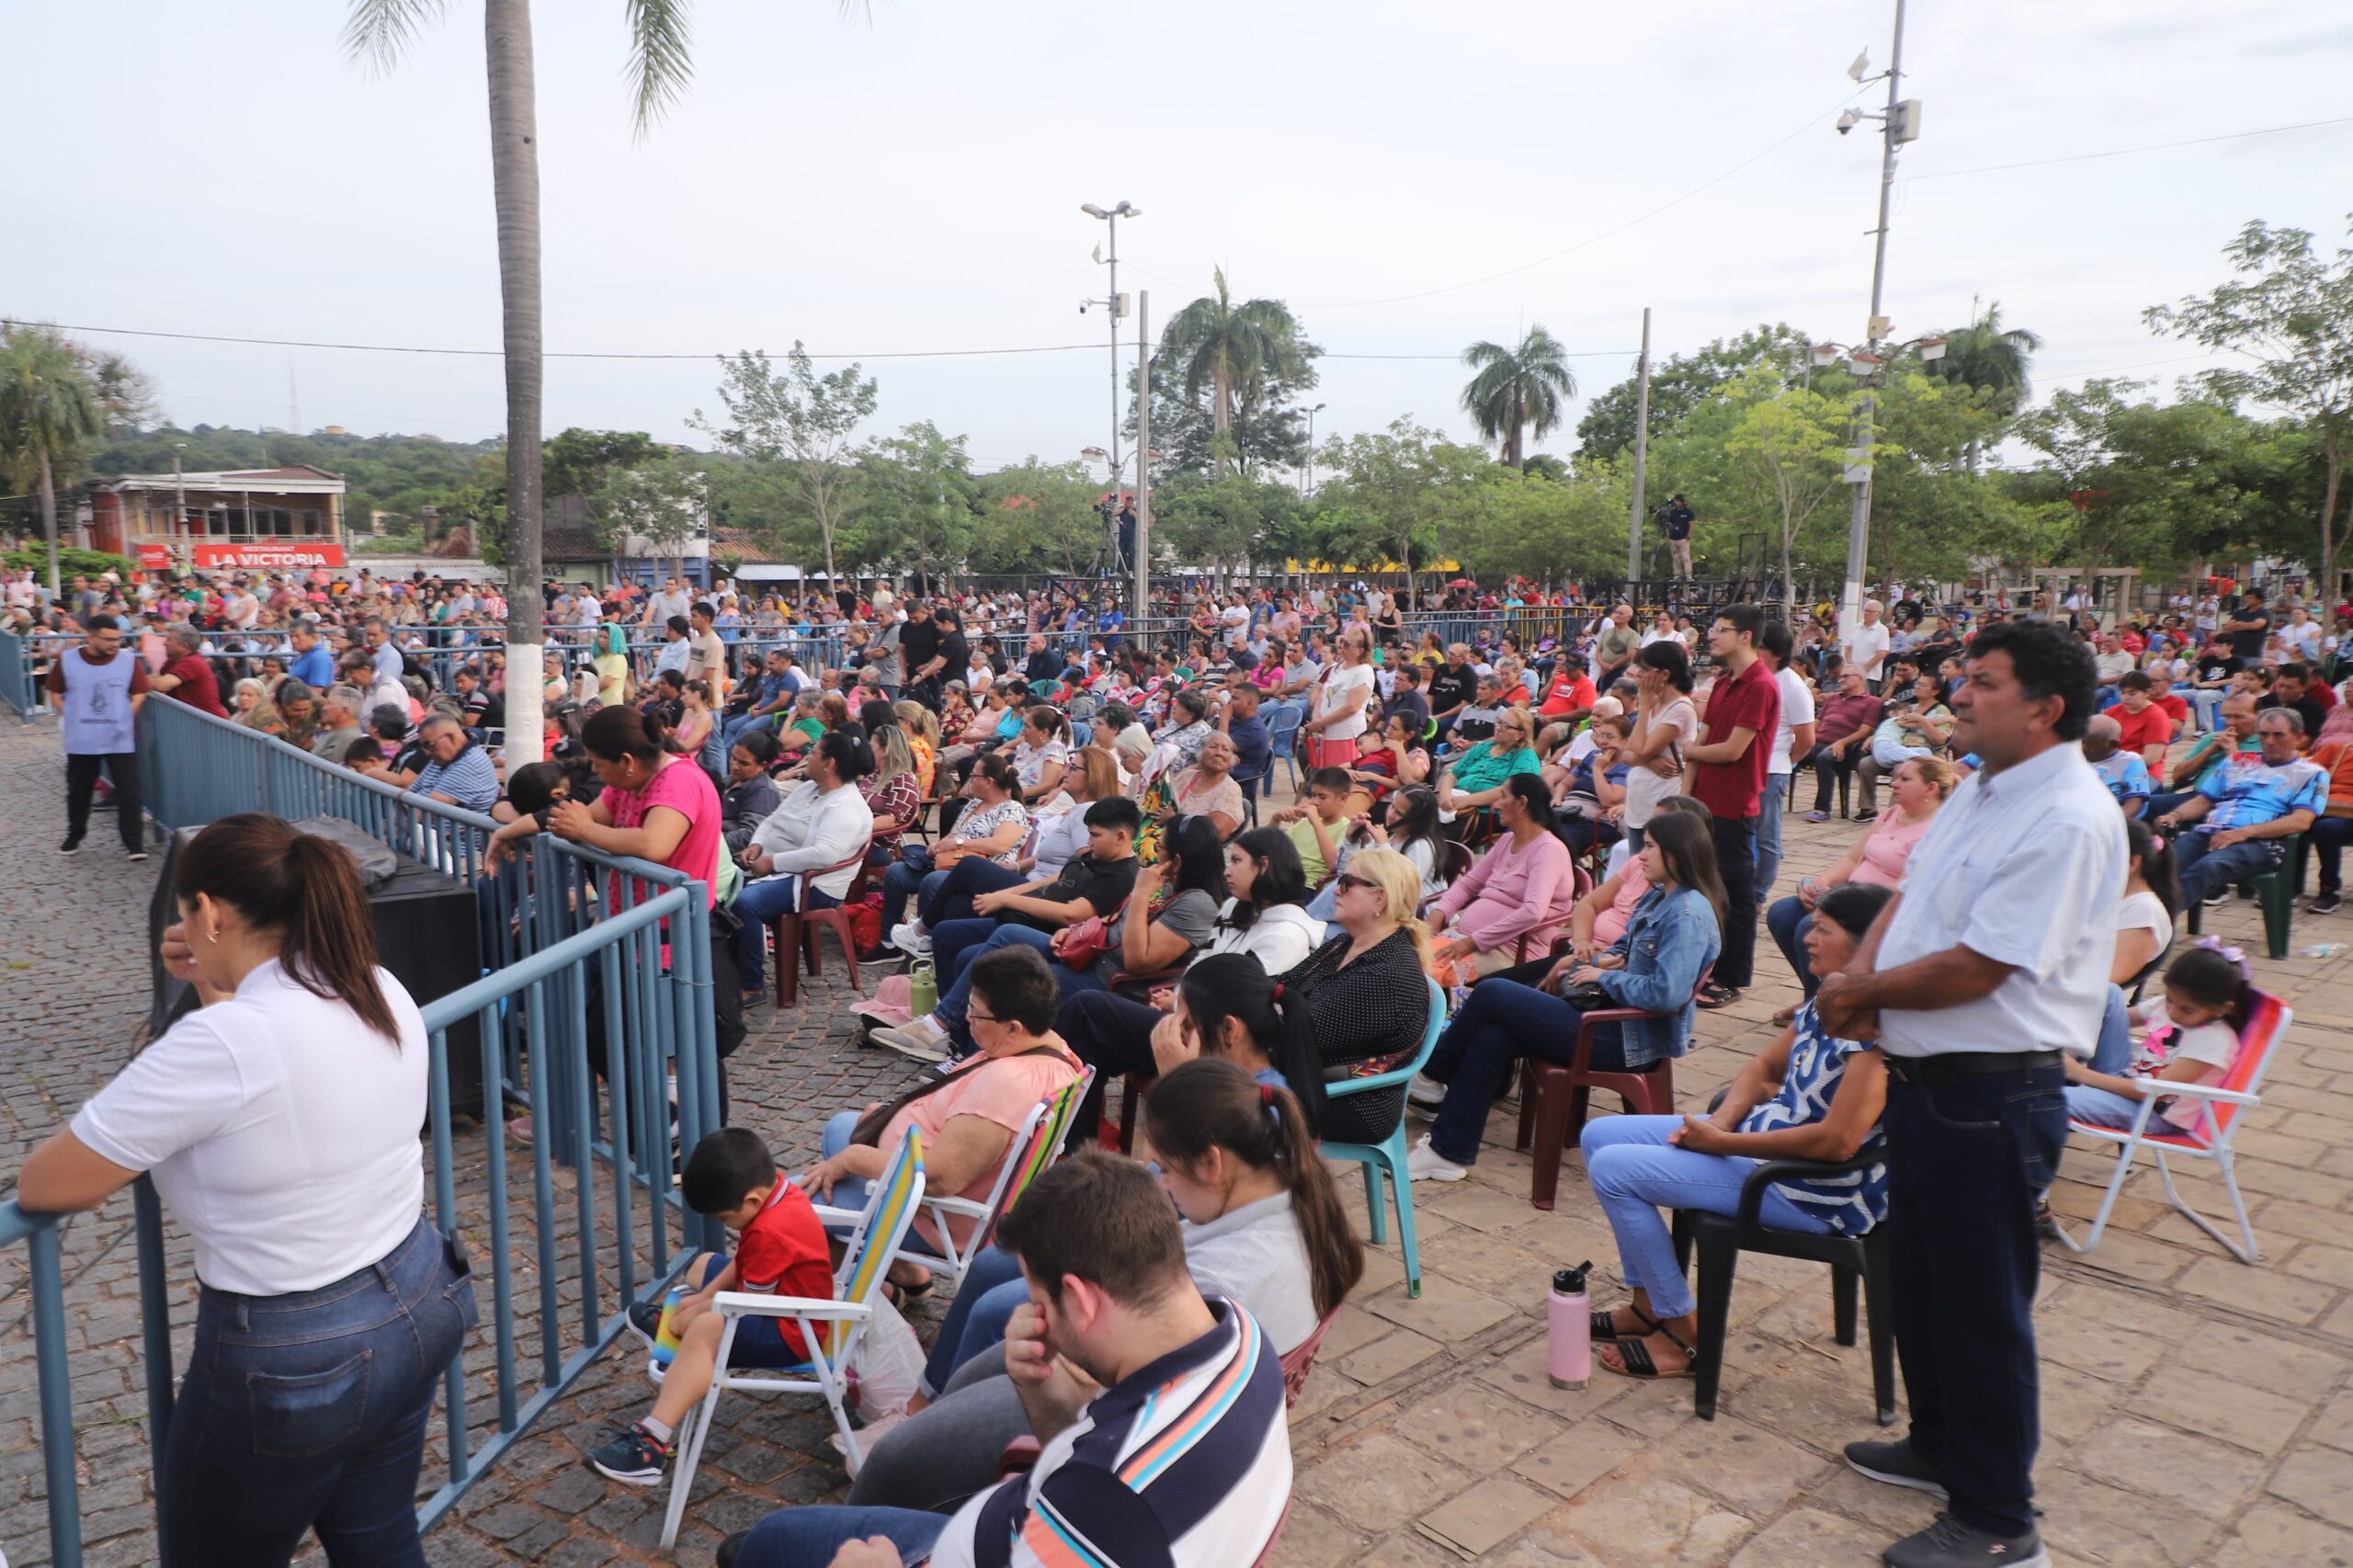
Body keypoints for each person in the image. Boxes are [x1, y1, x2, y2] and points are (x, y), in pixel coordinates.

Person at [17, 813, 479, 1564]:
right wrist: (212, 979)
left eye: (185, 914)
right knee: (379, 1536)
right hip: (420, 1290)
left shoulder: (228, 1044)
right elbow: (264, 1079)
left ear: (209, 913)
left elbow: (49, 1181)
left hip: (297, 1353)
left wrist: (209, 999)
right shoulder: (374, 985)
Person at [1816, 619, 2122, 1568]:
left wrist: (1856, 992)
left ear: (2045, 708)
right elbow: (1906, 900)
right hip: (1925, 1079)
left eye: (1982, 682)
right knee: (1923, 1283)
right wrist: (1858, 988)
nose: (1959, 694)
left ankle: (1997, 1517)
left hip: (1992, 1092)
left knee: (1983, 1306)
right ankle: (1937, 1444)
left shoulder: (2067, 814)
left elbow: (1982, 965)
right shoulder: (1983, 790)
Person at [718, 1149, 1293, 1568]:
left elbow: (1098, 1510)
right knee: (766, 1543)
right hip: (1024, 1525)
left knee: (769, 1544)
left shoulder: (1111, 1504)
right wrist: (1055, 1408)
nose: (1035, 1316)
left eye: (1040, 1300)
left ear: (1084, 1300)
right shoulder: (1240, 1334)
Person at [1581, 881, 1895, 1379]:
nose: (1806, 939)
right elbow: (1763, 1068)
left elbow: (1837, 1143)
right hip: (1755, 1144)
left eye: (1822, 930)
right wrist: (1723, 1122)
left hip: (1806, 1188)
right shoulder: (1827, 1001)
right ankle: (1646, 1307)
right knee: (1598, 1136)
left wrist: (1725, 1142)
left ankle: (1683, 1327)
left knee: (1615, 1171)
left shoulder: (1876, 1036)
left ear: (1865, 946)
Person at [1406, 809, 1724, 1183]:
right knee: (1492, 1036)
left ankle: (1429, 1071)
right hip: (1608, 1017)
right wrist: (1584, 961)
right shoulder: (1660, 898)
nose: (1640, 856)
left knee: (1492, 992)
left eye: (1651, 847)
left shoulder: (1687, 914)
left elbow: (1666, 994)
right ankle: (1447, 1152)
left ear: (1678, 853)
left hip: (1624, 1037)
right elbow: (1624, 949)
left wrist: (1603, 979)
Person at [805, 945, 1082, 1272]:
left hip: (932, 1217)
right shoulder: (1051, 1049)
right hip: (923, 1177)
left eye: (976, 1013)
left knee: (791, 1206)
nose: (967, 1019)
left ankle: (851, 1298)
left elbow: (939, 1178)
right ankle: (908, 1276)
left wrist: (853, 1159)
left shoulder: (1005, 1084)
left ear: (1013, 1028)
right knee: (840, 1127)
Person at [585, 1127, 835, 1486]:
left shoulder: (770, 1232)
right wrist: (701, 1299)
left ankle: (651, 1443)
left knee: (705, 1329)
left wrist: (700, 1313)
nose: (725, 1226)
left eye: (723, 1219)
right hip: (781, 1299)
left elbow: (750, 1304)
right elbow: (743, 1263)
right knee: (703, 1265)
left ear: (750, 1201)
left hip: (793, 1329)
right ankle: (680, 1333)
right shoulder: (778, 1194)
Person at [872, 799, 1143, 1063]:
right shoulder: (1098, 856)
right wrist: (1003, 894)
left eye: (1095, 835)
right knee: (947, 932)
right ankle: (950, 1032)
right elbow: (1058, 881)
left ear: (1120, 837)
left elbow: (1071, 914)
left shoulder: (1120, 875)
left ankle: (943, 1027)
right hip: (1050, 923)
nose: (1089, 840)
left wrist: (1005, 900)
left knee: (999, 937)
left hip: (1062, 938)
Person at [1767, 757, 1955, 994]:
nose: (1894, 784)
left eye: (1905, 779)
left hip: (1883, 906)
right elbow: (1853, 858)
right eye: (1895, 778)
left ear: (1932, 788)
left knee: (1810, 927)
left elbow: (1903, 887)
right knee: (1782, 913)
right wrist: (1822, 882)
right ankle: (1817, 990)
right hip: (1851, 895)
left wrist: (1838, 898)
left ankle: (1822, 1001)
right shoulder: (1892, 814)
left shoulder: (1937, 829)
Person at [733, 728, 878, 999]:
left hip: (815, 884)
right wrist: (758, 844)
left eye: (814, 752)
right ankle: (731, 972)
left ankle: (753, 986)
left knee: (745, 903)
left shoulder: (846, 806)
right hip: (789, 871)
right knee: (721, 889)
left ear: (829, 763)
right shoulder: (811, 788)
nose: (808, 756)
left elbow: (823, 855)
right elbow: (774, 819)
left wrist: (772, 862)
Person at [1683, 604, 1778, 1008]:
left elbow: (1733, 750)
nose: (1712, 635)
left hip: (1735, 803)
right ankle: (1702, 966)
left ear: (1745, 636)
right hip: (1703, 801)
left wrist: (1691, 750)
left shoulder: (1761, 685)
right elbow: (1704, 740)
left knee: (1735, 896)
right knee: (1702, 890)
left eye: (1722, 629)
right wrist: (1687, 788)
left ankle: (1731, 976)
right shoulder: (1723, 681)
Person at [2063, 944, 2247, 1138]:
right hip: (2129, 1082)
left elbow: (2154, 1093)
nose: (2172, 1011)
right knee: (2111, 995)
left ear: (2222, 1009)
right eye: (2169, 999)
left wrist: (2080, 1074)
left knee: (2046, 1098)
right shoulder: (2172, 1005)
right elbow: (2113, 1017)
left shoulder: (2214, 1040)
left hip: (2152, 1112)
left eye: (2187, 1010)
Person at [2153, 708, 2323, 909]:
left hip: (2262, 844)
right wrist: (2175, 815)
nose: (2269, 741)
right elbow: (2203, 801)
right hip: (2211, 833)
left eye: (2278, 735)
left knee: (2208, 867)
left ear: (2299, 736)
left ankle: (2154, 926)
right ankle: (2145, 921)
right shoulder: (2237, 761)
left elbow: (2301, 821)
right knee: (2163, 865)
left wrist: (2244, 832)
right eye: (2264, 734)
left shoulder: (2311, 773)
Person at [1427, 774, 1581, 977]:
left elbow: (1533, 912)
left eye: (1503, 797)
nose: (1496, 805)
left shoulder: (1548, 849)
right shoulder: (1508, 840)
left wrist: (1473, 942)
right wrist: (1439, 914)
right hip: (1467, 940)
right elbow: (1468, 884)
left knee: (1425, 973)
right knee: (1407, 959)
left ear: (1522, 804)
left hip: (1509, 951)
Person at [882, 755, 1032, 952]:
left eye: (974, 777)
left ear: (989, 781)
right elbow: (953, 835)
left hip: (982, 873)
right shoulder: (973, 804)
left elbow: (1000, 845)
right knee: (897, 873)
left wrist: (958, 843)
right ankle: (888, 944)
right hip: (950, 862)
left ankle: (925, 943)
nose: (970, 781)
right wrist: (938, 846)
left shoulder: (1012, 809)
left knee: (933, 880)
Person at [49, 613, 150, 858]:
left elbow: (139, 692)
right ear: (90, 637)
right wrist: (70, 715)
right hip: (81, 738)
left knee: (129, 791)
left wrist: (128, 715)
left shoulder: (128, 660)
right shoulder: (68, 660)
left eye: (117, 639)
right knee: (79, 790)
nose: (114, 644)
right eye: (107, 639)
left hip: (119, 737)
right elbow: (54, 691)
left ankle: (134, 843)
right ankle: (74, 835)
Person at [1756, 619, 1816, 902]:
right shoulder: (1751, 677)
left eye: (1759, 647)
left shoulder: (1792, 685)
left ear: (1775, 653)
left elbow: (1806, 738)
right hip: (1744, 767)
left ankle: (1758, 893)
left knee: (1767, 836)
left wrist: (1785, 761)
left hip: (1772, 769)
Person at [1619, 640, 1697, 851]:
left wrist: (1643, 708)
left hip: (1662, 800)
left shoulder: (1679, 708)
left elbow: (1639, 752)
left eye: (1645, 669)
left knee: (1655, 871)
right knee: (1637, 871)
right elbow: (1627, 754)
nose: (1638, 674)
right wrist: (1649, 761)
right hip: (1639, 800)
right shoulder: (1655, 704)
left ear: (1664, 674)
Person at [1852, 673, 1954, 816]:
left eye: (1923, 685)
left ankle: (1893, 813)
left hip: (1926, 755)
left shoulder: (1942, 712)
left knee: (1903, 767)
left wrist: (1922, 720)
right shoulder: (1909, 707)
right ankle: (1868, 808)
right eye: (1917, 683)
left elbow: (1940, 740)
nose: (1917, 687)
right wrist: (1874, 736)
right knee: (1866, 764)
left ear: (1935, 691)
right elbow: (1894, 725)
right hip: (1898, 750)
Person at [1802, 665, 1885, 823]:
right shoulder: (1834, 698)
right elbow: (1817, 723)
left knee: (1824, 757)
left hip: (1848, 746)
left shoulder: (1872, 702)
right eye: (1841, 676)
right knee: (1786, 752)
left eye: (1846, 676)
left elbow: (1866, 730)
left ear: (1860, 679)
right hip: (1819, 741)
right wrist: (1801, 738)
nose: (1841, 679)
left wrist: (1841, 743)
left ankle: (1823, 809)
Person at [1435, 708, 1542, 821]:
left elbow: (1511, 790)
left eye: (1505, 726)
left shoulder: (1526, 756)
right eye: (1498, 722)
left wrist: (1467, 801)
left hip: (1487, 812)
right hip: (1456, 802)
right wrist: (1445, 795)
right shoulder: (1483, 747)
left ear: (1520, 734)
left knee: (1445, 833)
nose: (1498, 728)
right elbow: (1453, 775)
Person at [1303, 625, 1377, 768]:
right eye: (1342, 642)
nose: (1342, 646)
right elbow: (1323, 694)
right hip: (1328, 733)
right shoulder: (1337, 667)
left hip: (1346, 735)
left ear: (1360, 651)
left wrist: (1322, 722)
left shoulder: (1363, 671)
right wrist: (1317, 717)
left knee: (1339, 778)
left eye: (1347, 644)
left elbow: (1352, 707)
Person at [404, 712, 501, 813]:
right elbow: (412, 791)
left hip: (442, 828)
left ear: (451, 738)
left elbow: (423, 813)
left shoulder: (469, 765)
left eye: (429, 745)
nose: (427, 753)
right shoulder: (443, 758)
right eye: (423, 747)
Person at [1163, 731, 1246, 839]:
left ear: (1231, 760)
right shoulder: (1187, 777)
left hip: (1193, 849)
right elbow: (1164, 801)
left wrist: (1174, 820)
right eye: (1213, 747)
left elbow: (1216, 831)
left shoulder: (1230, 789)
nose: (1219, 753)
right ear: (1201, 754)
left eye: (1225, 749)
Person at [721, 731, 784, 855]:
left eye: (743, 763)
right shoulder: (731, 779)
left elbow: (750, 834)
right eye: (733, 758)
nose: (735, 766)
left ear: (762, 765)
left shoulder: (763, 792)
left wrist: (711, 841)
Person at [2082, 712, 2153, 816]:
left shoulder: (2130, 761)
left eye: (2091, 745)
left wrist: (2109, 824)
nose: (2084, 748)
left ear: (2113, 745)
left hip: (2116, 819)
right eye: (2081, 742)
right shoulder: (2075, 759)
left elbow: (2133, 804)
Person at [149, 623, 227, 717]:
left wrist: (136, 680)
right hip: (194, 722)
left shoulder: (192, 662)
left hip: (210, 725)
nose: (165, 643)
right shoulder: (174, 659)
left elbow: (161, 685)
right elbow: (156, 678)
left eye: (169, 640)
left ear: (184, 647)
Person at [1844, 598, 1892, 692]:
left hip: (1871, 676)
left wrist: (1864, 670)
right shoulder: (1856, 627)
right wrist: (1851, 667)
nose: (1866, 613)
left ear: (1879, 613)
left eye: (1870, 611)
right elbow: (1848, 648)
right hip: (1852, 673)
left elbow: (1881, 653)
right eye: (1865, 610)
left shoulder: (1882, 630)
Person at [1665, 492, 1695, 579]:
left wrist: (1689, 535)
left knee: (1686, 557)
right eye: (1676, 501)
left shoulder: (1688, 512)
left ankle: (1688, 574)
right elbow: (1668, 524)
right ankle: (1677, 575)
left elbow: (1692, 524)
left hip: (1683, 538)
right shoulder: (1673, 512)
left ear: (1682, 502)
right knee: (1675, 558)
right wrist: (1668, 534)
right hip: (1673, 538)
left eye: (1678, 501)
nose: (1677, 503)